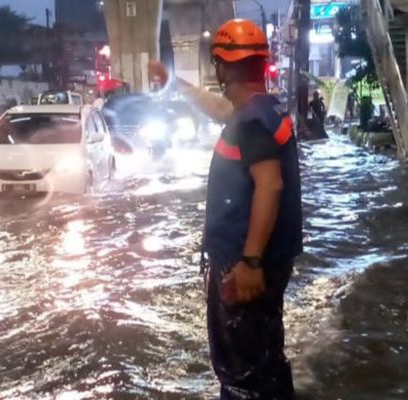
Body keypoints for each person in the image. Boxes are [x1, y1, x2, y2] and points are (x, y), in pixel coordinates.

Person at [151, 19, 302, 399]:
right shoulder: (260, 110)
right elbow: (221, 110)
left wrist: (249, 262)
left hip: (244, 264)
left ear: (221, 67)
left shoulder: (251, 122)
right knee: (265, 358)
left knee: (241, 374)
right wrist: (175, 83)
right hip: (263, 260)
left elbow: (270, 185)